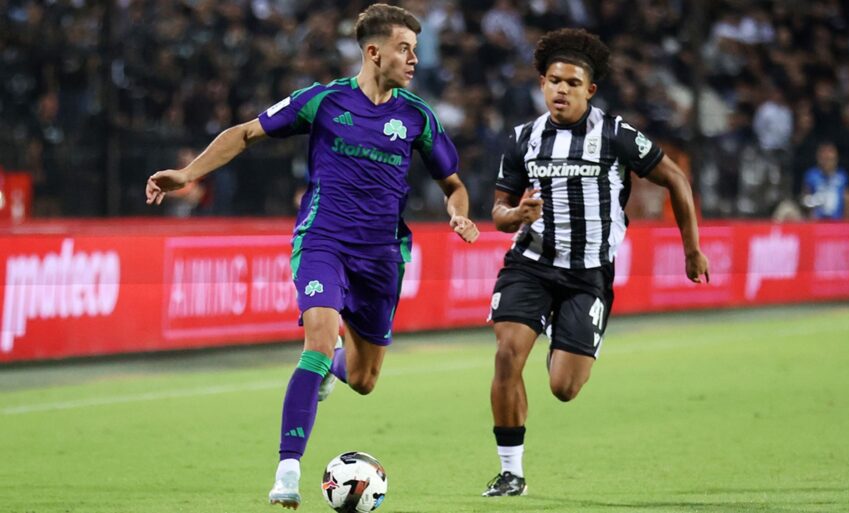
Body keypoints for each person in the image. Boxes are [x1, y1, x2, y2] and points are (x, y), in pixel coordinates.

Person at [145, 4, 479, 509]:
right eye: (404, 49)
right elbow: (245, 133)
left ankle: (335, 364)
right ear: (374, 52)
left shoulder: (417, 116)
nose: (414, 59)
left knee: (364, 380)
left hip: (381, 257)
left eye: (414, 49)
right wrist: (188, 174)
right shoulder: (322, 101)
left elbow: (453, 184)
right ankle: (287, 471)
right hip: (324, 241)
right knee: (317, 343)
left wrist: (459, 214)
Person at [482, 28, 709, 497]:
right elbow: (499, 212)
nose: (561, 90)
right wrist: (516, 215)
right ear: (542, 83)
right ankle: (510, 472)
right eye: (554, 81)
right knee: (506, 355)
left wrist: (691, 248)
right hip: (530, 264)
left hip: (588, 274)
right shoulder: (523, 139)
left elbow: (676, 179)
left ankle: (560, 335)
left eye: (572, 83)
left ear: (590, 90)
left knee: (564, 388)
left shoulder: (615, 134)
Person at [801, 142, 849, 220]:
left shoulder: (842, 176)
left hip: (838, 219)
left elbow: (848, 198)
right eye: (824, 159)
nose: (827, 163)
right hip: (816, 219)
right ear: (818, 158)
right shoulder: (811, 175)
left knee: (848, 196)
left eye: (830, 159)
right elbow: (806, 197)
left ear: (836, 159)